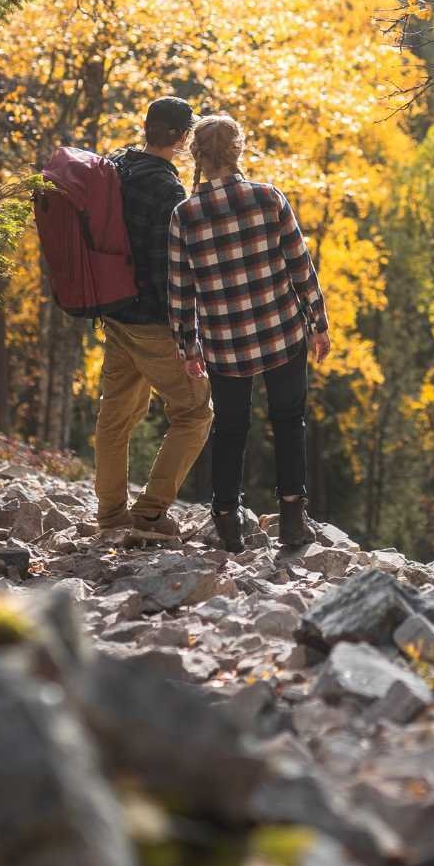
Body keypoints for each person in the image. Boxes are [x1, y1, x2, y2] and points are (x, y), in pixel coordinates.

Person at [167, 114, 330, 552]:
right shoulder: (268, 199)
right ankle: (293, 520)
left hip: (225, 344)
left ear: (195, 155)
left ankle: (226, 521)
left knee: (231, 429)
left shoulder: (185, 216)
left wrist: (189, 346)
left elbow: (180, 291)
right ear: (238, 151)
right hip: (280, 332)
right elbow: (301, 266)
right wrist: (318, 323)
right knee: (288, 421)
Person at [89, 96, 214, 536]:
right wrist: (187, 334)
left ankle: (109, 516)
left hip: (114, 312)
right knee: (195, 413)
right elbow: (168, 269)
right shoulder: (166, 189)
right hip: (151, 320)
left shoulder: (117, 165)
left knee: (116, 414)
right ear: (181, 138)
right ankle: (149, 513)